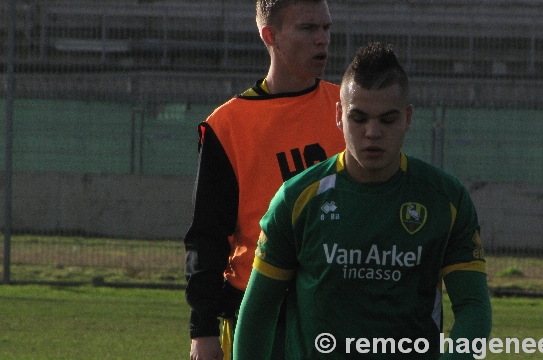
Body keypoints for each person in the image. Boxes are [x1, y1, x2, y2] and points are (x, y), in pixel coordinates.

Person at [234, 42, 492, 360]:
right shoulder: (297, 198)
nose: (372, 132)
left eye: (387, 120)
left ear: (408, 118)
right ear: (340, 116)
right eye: (359, 118)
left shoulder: (446, 200)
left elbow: (473, 307)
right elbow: (259, 312)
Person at [183, 1, 344, 359]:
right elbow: (208, 236)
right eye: (308, 29)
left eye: (326, 29)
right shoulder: (228, 125)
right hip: (256, 312)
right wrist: (203, 330)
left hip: (338, 310)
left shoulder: (350, 111)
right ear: (269, 36)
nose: (322, 40)